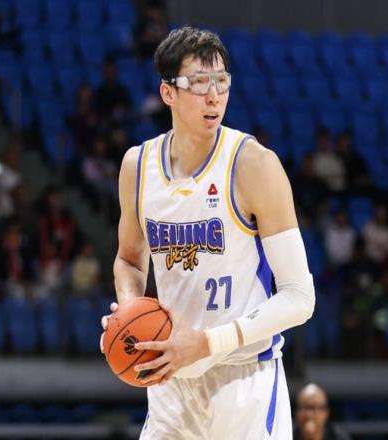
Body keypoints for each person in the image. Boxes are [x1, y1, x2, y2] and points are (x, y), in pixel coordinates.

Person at [100, 27, 315, 439]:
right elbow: (129, 259)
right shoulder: (137, 167)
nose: (214, 95)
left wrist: (208, 342)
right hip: (170, 385)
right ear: (168, 93)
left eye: (222, 82)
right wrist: (130, 311)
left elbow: (300, 297)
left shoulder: (254, 165)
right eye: (199, 83)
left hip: (243, 383)